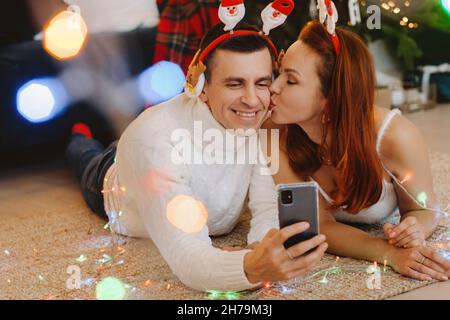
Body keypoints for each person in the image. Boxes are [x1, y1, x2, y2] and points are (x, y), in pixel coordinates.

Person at [66, 22, 328, 292]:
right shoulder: (156, 143)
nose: (252, 100)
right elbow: (188, 258)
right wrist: (250, 267)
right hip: (112, 179)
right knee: (84, 157)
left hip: (150, 146)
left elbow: (267, 203)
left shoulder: (262, 121)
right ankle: (78, 137)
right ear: (201, 86)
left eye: (262, 83)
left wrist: (261, 246)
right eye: (235, 84)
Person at [265, 20, 450, 282]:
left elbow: (426, 209)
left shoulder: (395, 137)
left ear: (331, 99)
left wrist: (413, 228)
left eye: (291, 80)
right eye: (279, 73)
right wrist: (389, 253)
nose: (274, 87)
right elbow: (316, 226)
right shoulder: (276, 131)